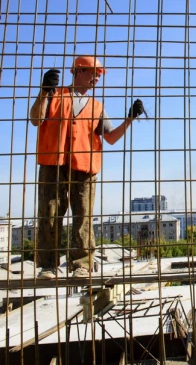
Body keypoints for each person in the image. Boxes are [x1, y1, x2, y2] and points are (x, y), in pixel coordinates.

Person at [30, 56, 144, 279]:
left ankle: (81, 264)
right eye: (95, 73)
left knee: (83, 215)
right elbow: (36, 119)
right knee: (49, 213)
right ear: (79, 71)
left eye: (99, 75)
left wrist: (129, 119)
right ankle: (48, 266)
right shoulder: (54, 94)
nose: (97, 79)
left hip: (85, 165)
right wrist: (44, 91)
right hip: (53, 162)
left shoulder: (97, 106)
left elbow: (110, 138)